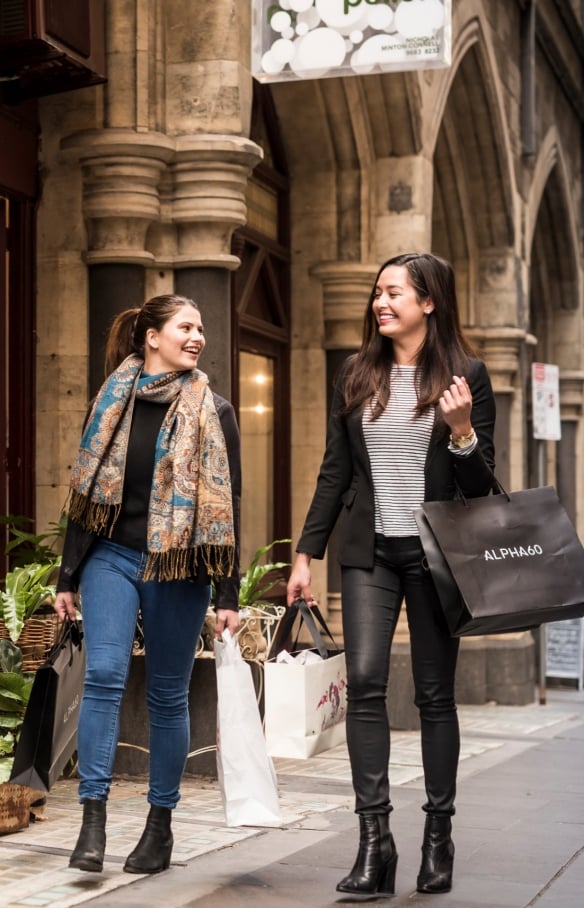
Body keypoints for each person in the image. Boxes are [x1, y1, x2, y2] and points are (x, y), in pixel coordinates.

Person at [286, 253, 496, 897]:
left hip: (438, 557)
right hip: (371, 551)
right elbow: (335, 472)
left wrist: (461, 432)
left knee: (435, 694)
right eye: (377, 293)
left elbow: (482, 487)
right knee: (367, 682)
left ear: (429, 302)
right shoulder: (356, 373)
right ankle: (374, 841)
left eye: (394, 293)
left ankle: (439, 835)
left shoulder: (467, 375)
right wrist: (305, 554)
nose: (381, 302)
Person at [53, 294, 241, 875]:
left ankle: (159, 828)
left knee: (166, 694)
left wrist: (228, 594)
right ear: (151, 337)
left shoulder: (217, 411)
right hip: (110, 557)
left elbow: (226, 506)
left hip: (179, 565)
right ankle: (92, 824)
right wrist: (68, 574)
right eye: (186, 326)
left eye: (201, 328)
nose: (197, 337)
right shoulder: (110, 402)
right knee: (105, 675)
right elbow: (85, 491)